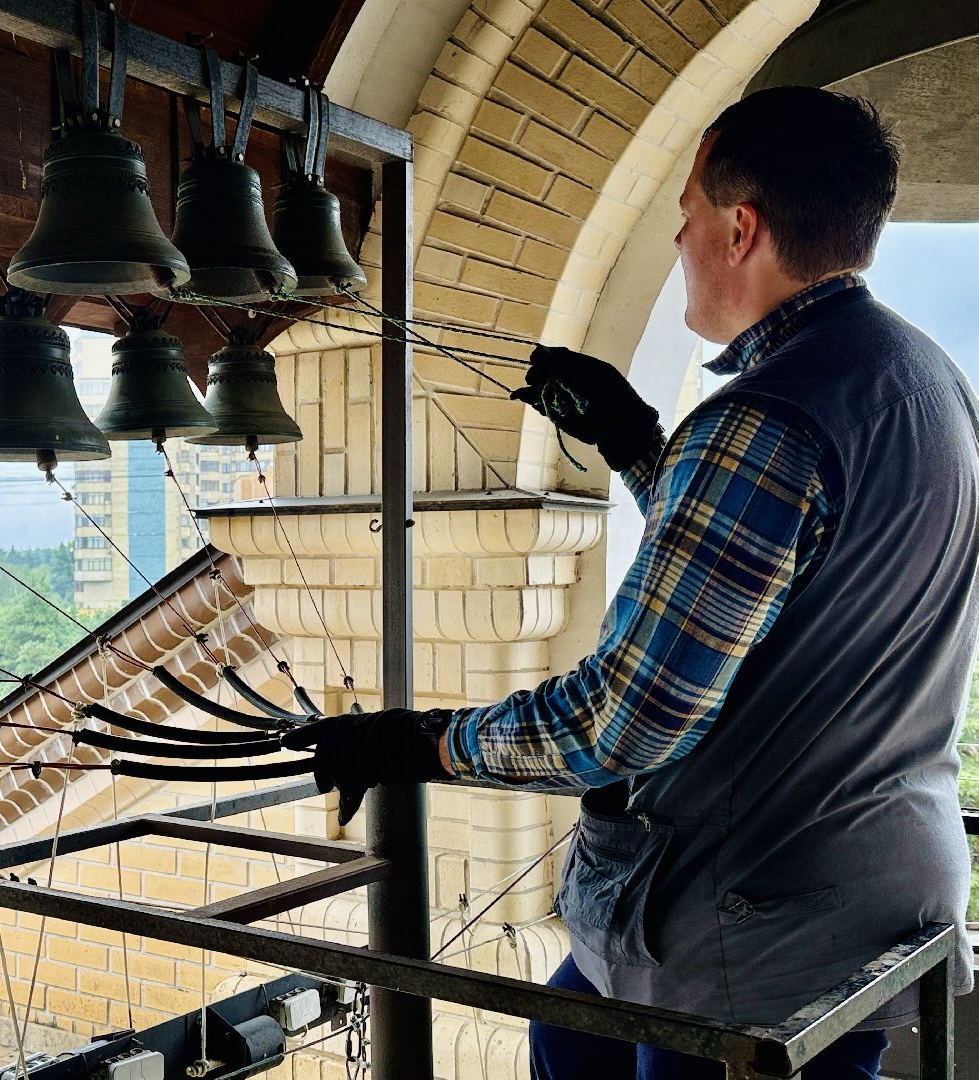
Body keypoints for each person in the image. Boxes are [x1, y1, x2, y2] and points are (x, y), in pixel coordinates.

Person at [284, 85, 979, 1079]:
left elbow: (623, 723)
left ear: (741, 229)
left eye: (688, 215)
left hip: (754, 930)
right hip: (871, 881)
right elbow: (761, 579)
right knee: (567, 1032)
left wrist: (421, 742)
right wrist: (639, 446)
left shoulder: (764, 421)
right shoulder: (923, 378)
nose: (678, 239)